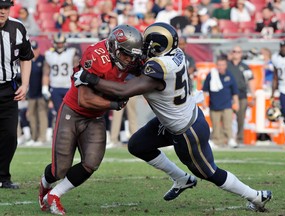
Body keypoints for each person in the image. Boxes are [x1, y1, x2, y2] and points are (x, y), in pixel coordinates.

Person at [74, 22, 272, 212]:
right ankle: (181, 179)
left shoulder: (159, 67)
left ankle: (255, 195)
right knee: (137, 145)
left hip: (186, 129)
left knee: (209, 172)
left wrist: (90, 78)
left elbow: (124, 90)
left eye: (147, 43)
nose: (144, 46)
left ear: (157, 47)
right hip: (172, 120)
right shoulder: (175, 53)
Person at [38, 24, 143, 215]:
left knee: (91, 162)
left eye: (132, 56)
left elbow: (145, 75)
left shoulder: (133, 59)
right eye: (125, 54)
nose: (129, 60)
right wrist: (114, 104)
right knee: (59, 169)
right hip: (73, 111)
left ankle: (55, 195)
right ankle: (45, 184)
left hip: (95, 117)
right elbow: (84, 99)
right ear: (113, 47)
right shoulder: (96, 56)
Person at [0, 0, 34, 189]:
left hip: (7, 90)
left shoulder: (17, 28)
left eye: (5, 7)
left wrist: (26, 84)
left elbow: (26, 57)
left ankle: (3, 177)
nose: (2, 11)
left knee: (10, 136)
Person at [202, 56, 239, 148]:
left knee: (228, 125)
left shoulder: (229, 75)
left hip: (227, 105)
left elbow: (234, 91)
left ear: (226, 65)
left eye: (223, 65)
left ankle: (230, 139)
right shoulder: (211, 75)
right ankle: (216, 141)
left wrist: (236, 102)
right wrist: (203, 102)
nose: (221, 67)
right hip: (214, 105)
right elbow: (205, 90)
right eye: (219, 65)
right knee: (216, 126)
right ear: (216, 65)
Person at [42, 32, 80, 114]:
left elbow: (77, 70)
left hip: (68, 86)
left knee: (71, 112)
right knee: (59, 112)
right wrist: (44, 87)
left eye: (61, 43)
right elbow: (46, 73)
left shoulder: (71, 53)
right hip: (55, 87)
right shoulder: (49, 54)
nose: (60, 45)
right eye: (58, 43)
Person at [227, 45, 256, 144]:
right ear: (232, 53)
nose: (236, 53)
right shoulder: (227, 65)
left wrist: (253, 95)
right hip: (228, 95)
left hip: (241, 95)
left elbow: (250, 81)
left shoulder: (245, 66)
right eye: (234, 51)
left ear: (241, 54)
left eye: (239, 52)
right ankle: (229, 138)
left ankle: (239, 139)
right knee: (227, 118)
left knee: (240, 119)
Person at [26, 40, 48, 146]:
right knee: (31, 116)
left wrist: (46, 91)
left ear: (38, 49)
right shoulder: (27, 60)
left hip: (41, 94)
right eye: (32, 49)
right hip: (31, 94)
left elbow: (47, 76)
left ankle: (42, 137)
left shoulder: (43, 60)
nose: (33, 51)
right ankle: (33, 137)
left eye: (35, 49)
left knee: (42, 115)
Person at [271, 39, 285, 148]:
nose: (284, 48)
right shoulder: (275, 58)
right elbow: (275, 76)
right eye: (282, 46)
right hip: (283, 89)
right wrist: (273, 93)